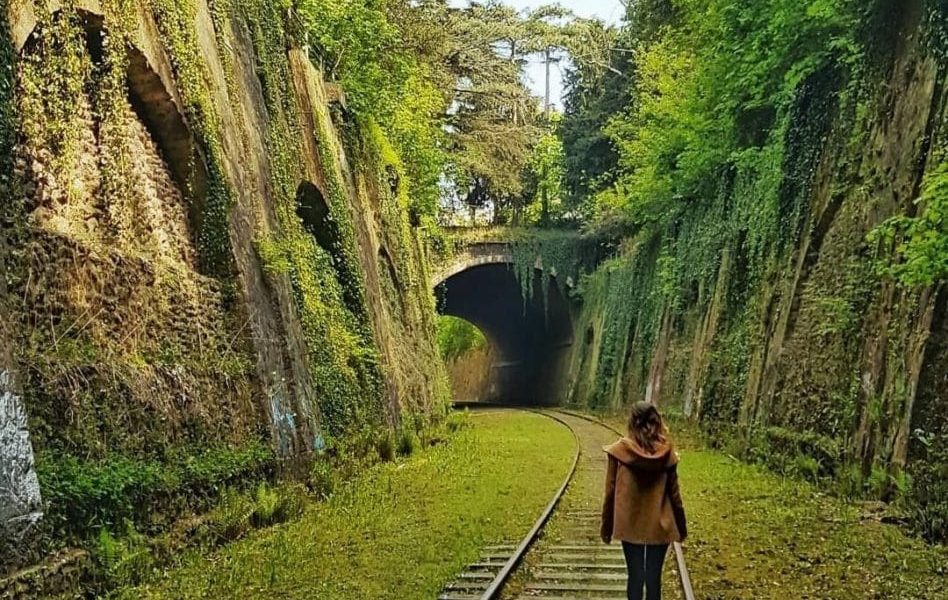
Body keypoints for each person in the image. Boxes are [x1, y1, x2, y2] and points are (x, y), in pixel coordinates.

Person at [601, 401, 687, 600]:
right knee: (653, 578)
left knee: (635, 576)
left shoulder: (619, 452)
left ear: (632, 422)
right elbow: (675, 496)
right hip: (660, 525)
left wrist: (606, 527)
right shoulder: (668, 454)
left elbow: (610, 492)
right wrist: (681, 528)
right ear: (656, 421)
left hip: (630, 525)